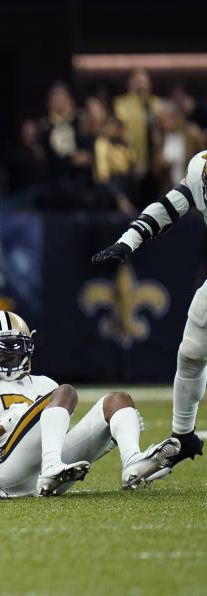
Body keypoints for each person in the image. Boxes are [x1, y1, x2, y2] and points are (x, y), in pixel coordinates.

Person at [0, 310, 180, 497]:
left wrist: (106, 436)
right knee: (65, 392)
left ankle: (132, 460)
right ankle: (51, 468)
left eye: (18, 346)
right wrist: (1, 427)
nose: (11, 355)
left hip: (49, 468)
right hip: (5, 472)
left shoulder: (45, 383)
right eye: (1, 349)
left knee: (118, 401)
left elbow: (56, 440)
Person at [92, 149, 207, 471]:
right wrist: (128, 241)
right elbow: (170, 206)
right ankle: (182, 437)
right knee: (192, 352)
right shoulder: (201, 167)